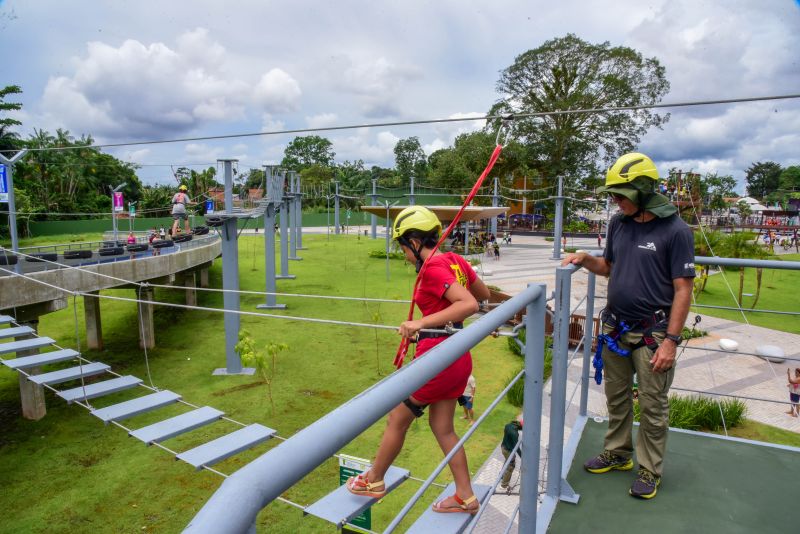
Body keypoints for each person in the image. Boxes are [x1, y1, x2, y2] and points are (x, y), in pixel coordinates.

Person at [562, 152, 695, 500]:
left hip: (653, 334)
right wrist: (585, 259)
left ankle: (650, 470)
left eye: (620, 195)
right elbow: (609, 266)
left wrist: (671, 342)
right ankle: (618, 453)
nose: (614, 202)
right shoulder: (619, 224)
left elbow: (683, 290)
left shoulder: (676, 231)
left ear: (642, 192)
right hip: (616, 329)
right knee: (616, 397)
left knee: (653, 406)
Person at [346, 206, 491, 515]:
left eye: (402, 245)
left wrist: (421, 324)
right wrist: (428, 326)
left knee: (397, 418)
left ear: (414, 240)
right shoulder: (454, 260)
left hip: (438, 361)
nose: (403, 253)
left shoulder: (434, 267)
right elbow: (483, 293)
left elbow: (468, 304)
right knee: (443, 428)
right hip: (457, 356)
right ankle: (465, 496)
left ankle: (374, 480)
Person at [500, 417, 523, 491]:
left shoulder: (509, 425)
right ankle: (504, 485)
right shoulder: (514, 434)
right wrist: (523, 457)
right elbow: (516, 447)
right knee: (510, 466)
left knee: (507, 462)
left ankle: (502, 475)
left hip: (503, 447)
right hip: (508, 450)